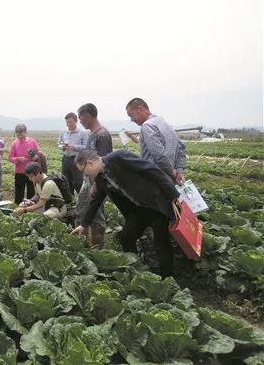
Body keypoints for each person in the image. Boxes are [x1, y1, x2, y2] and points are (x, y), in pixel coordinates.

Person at [71, 149, 180, 277]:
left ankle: (168, 277)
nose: (84, 175)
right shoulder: (100, 178)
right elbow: (96, 201)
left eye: (83, 171)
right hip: (138, 210)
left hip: (154, 203)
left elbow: (151, 169)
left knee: (161, 243)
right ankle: (136, 270)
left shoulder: (118, 157)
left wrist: (172, 194)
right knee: (126, 237)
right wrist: (83, 225)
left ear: (89, 163)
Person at [75, 103, 113, 248]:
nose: (80, 121)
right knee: (80, 212)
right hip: (87, 181)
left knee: (96, 218)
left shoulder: (102, 135)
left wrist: (96, 185)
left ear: (88, 116)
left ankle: (98, 252)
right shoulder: (91, 134)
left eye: (81, 118)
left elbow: (103, 164)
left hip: (97, 183)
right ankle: (81, 247)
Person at [125, 98, 186, 185]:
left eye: (131, 115)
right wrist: (179, 172)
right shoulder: (165, 123)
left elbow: (160, 155)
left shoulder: (147, 126)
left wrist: (172, 172)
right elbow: (181, 148)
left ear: (140, 109)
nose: (131, 119)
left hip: (156, 181)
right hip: (170, 182)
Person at [9, 123, 41, 205]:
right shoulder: (14, 143)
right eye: (18, 134)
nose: (20, 137)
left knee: (31, 192)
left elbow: (38, 154)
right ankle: (17, 209)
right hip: (20, 172)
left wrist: (35, 157)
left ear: (26, 132)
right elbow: (10, 158)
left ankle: (31, 209)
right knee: (19, 193)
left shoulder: (32, 142)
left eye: (22, 134)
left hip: (31, 173)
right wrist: (18, 159)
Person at [58, 112, 88, 194]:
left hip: (77, 159)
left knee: (79, 182)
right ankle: (70, 201)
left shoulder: (82, 132)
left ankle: (82, 200)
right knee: (66, 181)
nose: (68, 124)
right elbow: (59, 144)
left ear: (76, 121)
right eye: (67, 122)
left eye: (70, 121)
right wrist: (63, 147)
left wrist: (74, 147)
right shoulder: (63, 132)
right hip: (66, 159)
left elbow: (86, 146)